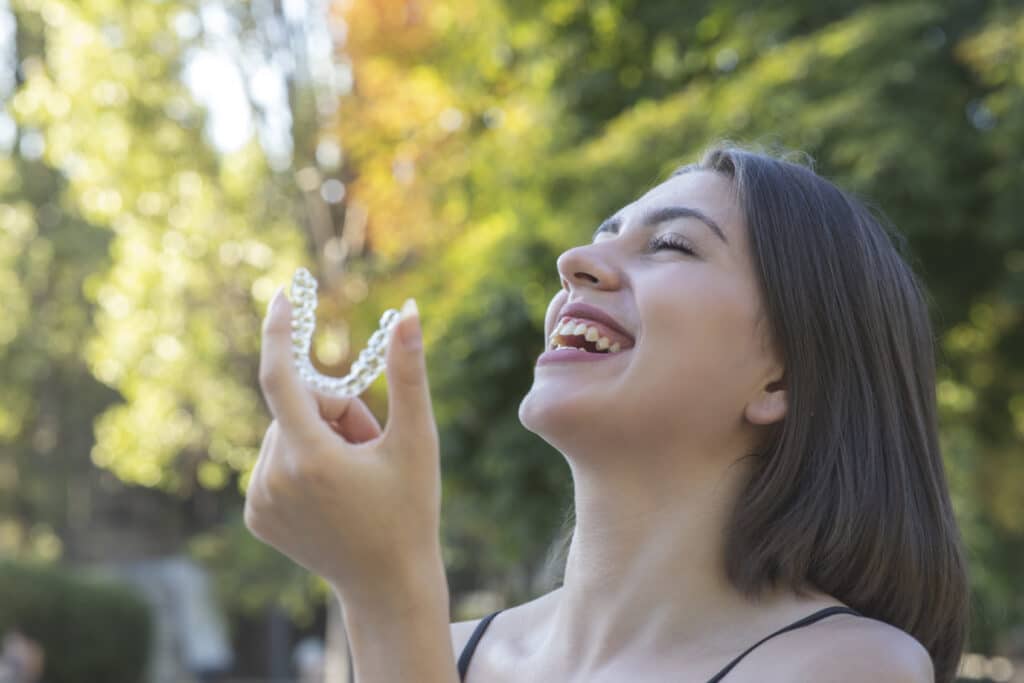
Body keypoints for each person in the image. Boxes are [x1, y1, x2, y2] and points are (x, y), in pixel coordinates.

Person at [246, 142, 969, 683]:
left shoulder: (848, 666)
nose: (574, 259)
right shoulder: (443, 646)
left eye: (670, 244)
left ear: (782, 379)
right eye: (603, 232)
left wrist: (382, 588)